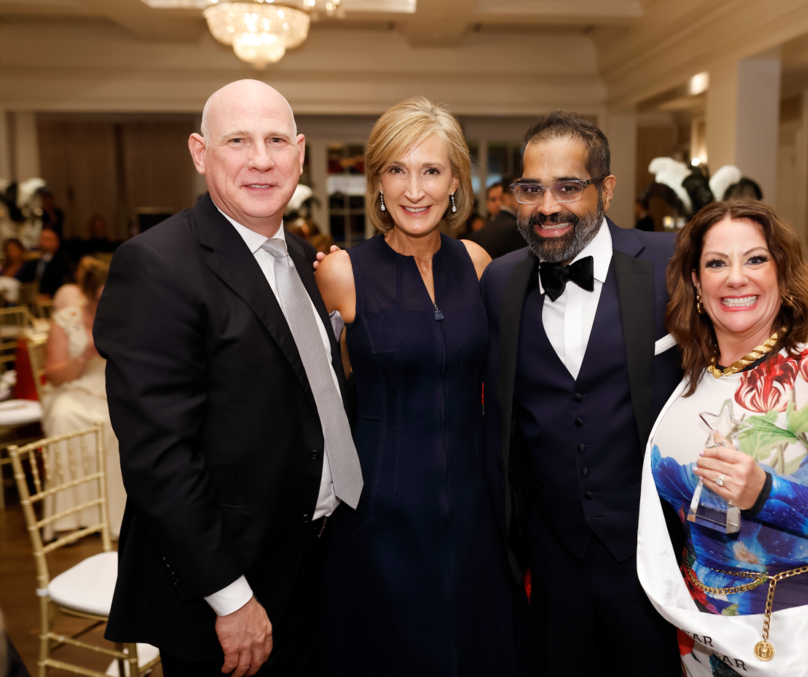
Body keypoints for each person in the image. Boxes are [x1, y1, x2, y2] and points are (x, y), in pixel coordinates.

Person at [478, 111, 808, 676]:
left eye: (568, 186)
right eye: (531, 189)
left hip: (670, 569)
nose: (548, 205)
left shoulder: (673, 262)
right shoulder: (501, 283)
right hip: (555, 564)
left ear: (605, 190)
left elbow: (766, 338)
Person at [95, 79, 363, 677]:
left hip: (315, 564)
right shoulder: (157, 265)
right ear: (200, 152)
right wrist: (230, 595)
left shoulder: (299, 259)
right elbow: (158, 456)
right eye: (238, 140)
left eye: (274, 141)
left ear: (299, 151)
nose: (261, 160)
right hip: (230, 593)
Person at [636, 198, 808, 677]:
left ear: (782, 272)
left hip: (797, 645)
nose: (735, 277)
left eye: (755, 259)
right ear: (697, 283)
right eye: (716, 263)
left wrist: (768, 494)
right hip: (700, 640)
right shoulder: (687, 373)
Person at [314, 97, 515, 675]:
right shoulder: (340, 272)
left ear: (456, 180)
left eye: (431, 170)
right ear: (377, 181)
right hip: (381, 512)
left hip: (475, 506)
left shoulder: (477, 262)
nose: (414, 189)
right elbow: (316, 394)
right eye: (397, 170)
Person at [41, 259, 126, 539]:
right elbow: (53, 375)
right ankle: (67, 520)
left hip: (109, 391)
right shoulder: (66, 321)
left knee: (118, 426)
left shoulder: (122, 315)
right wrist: (85, 353)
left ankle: (114, 519)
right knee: (64, 417)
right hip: (73, 390)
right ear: (86, 294)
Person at [471, 177, 527, 259]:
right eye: (493, 199)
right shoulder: (514, 227)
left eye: (501, 199)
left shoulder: (479, 234)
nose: (498, 203)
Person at [25, 228, 72, 299]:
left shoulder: (63, 264)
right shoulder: (31, 264)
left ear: (57, 243)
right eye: (42, 238)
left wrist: (50, 296)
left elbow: (66, 285)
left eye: (48, 239)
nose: (43, 242)